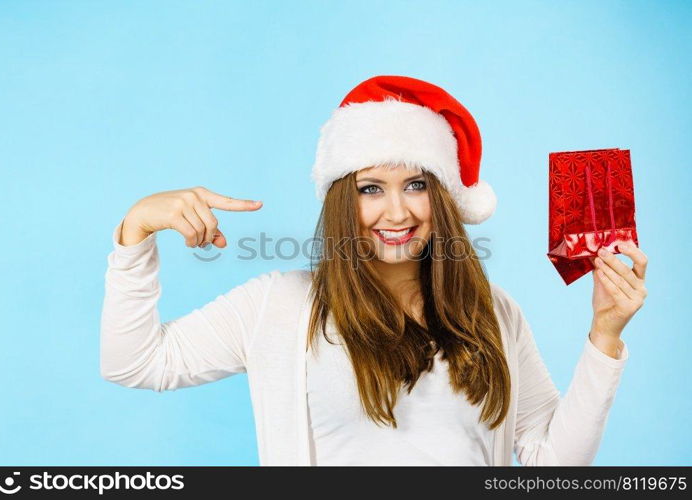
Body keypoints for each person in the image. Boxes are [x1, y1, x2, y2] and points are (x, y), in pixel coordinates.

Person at [100, 75, 648, 466]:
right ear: (343, 199)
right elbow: (135, 362)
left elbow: (550, 463)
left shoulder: (495, 312)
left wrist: (604, 335)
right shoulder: (280, 305)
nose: (397, 212)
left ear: (445, 197)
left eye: (417, 185)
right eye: (370, 189)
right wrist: (134, 234)